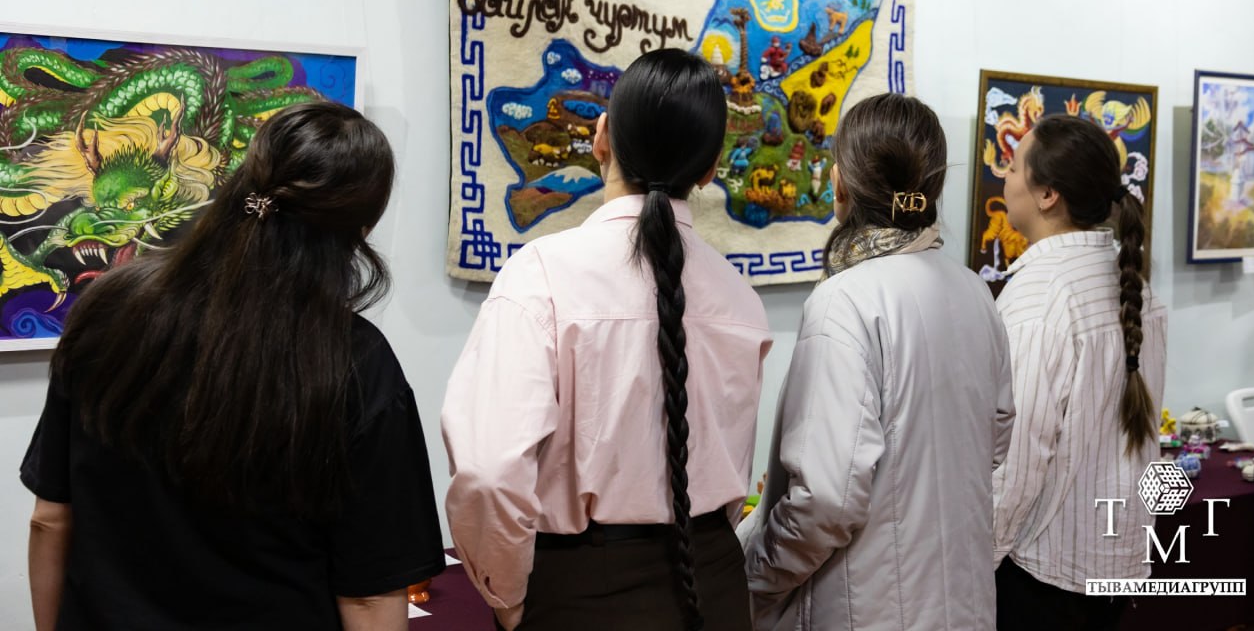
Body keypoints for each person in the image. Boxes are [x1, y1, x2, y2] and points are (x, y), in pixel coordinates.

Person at [21, 101, 444, 630]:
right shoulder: (353, 360)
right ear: (362, 227)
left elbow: (50, 519)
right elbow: (368, 598)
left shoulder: (109, 307)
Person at [442, 49, 772, 631]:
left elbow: (491, 473)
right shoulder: (741, 298)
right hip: (715, 585)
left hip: (580, 593)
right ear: (710, 169)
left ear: (601, 138)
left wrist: (508, 599)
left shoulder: (541, 275)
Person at [740, 92, 1014, 631]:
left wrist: (755, 574)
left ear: (840, 182)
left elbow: (827, 499)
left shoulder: (844, 300)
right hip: (963, 602)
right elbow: (995, 439)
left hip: (869, 608)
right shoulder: (974, 290)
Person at [992, 114, 1168, 631]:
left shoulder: (1039, 295)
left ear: (1048, 195)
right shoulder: (1137, 285)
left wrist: (977, 557)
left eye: (1013, 166)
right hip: (1117, 555)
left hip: (1044, 569)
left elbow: (1019, 460)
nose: (1004, 174)